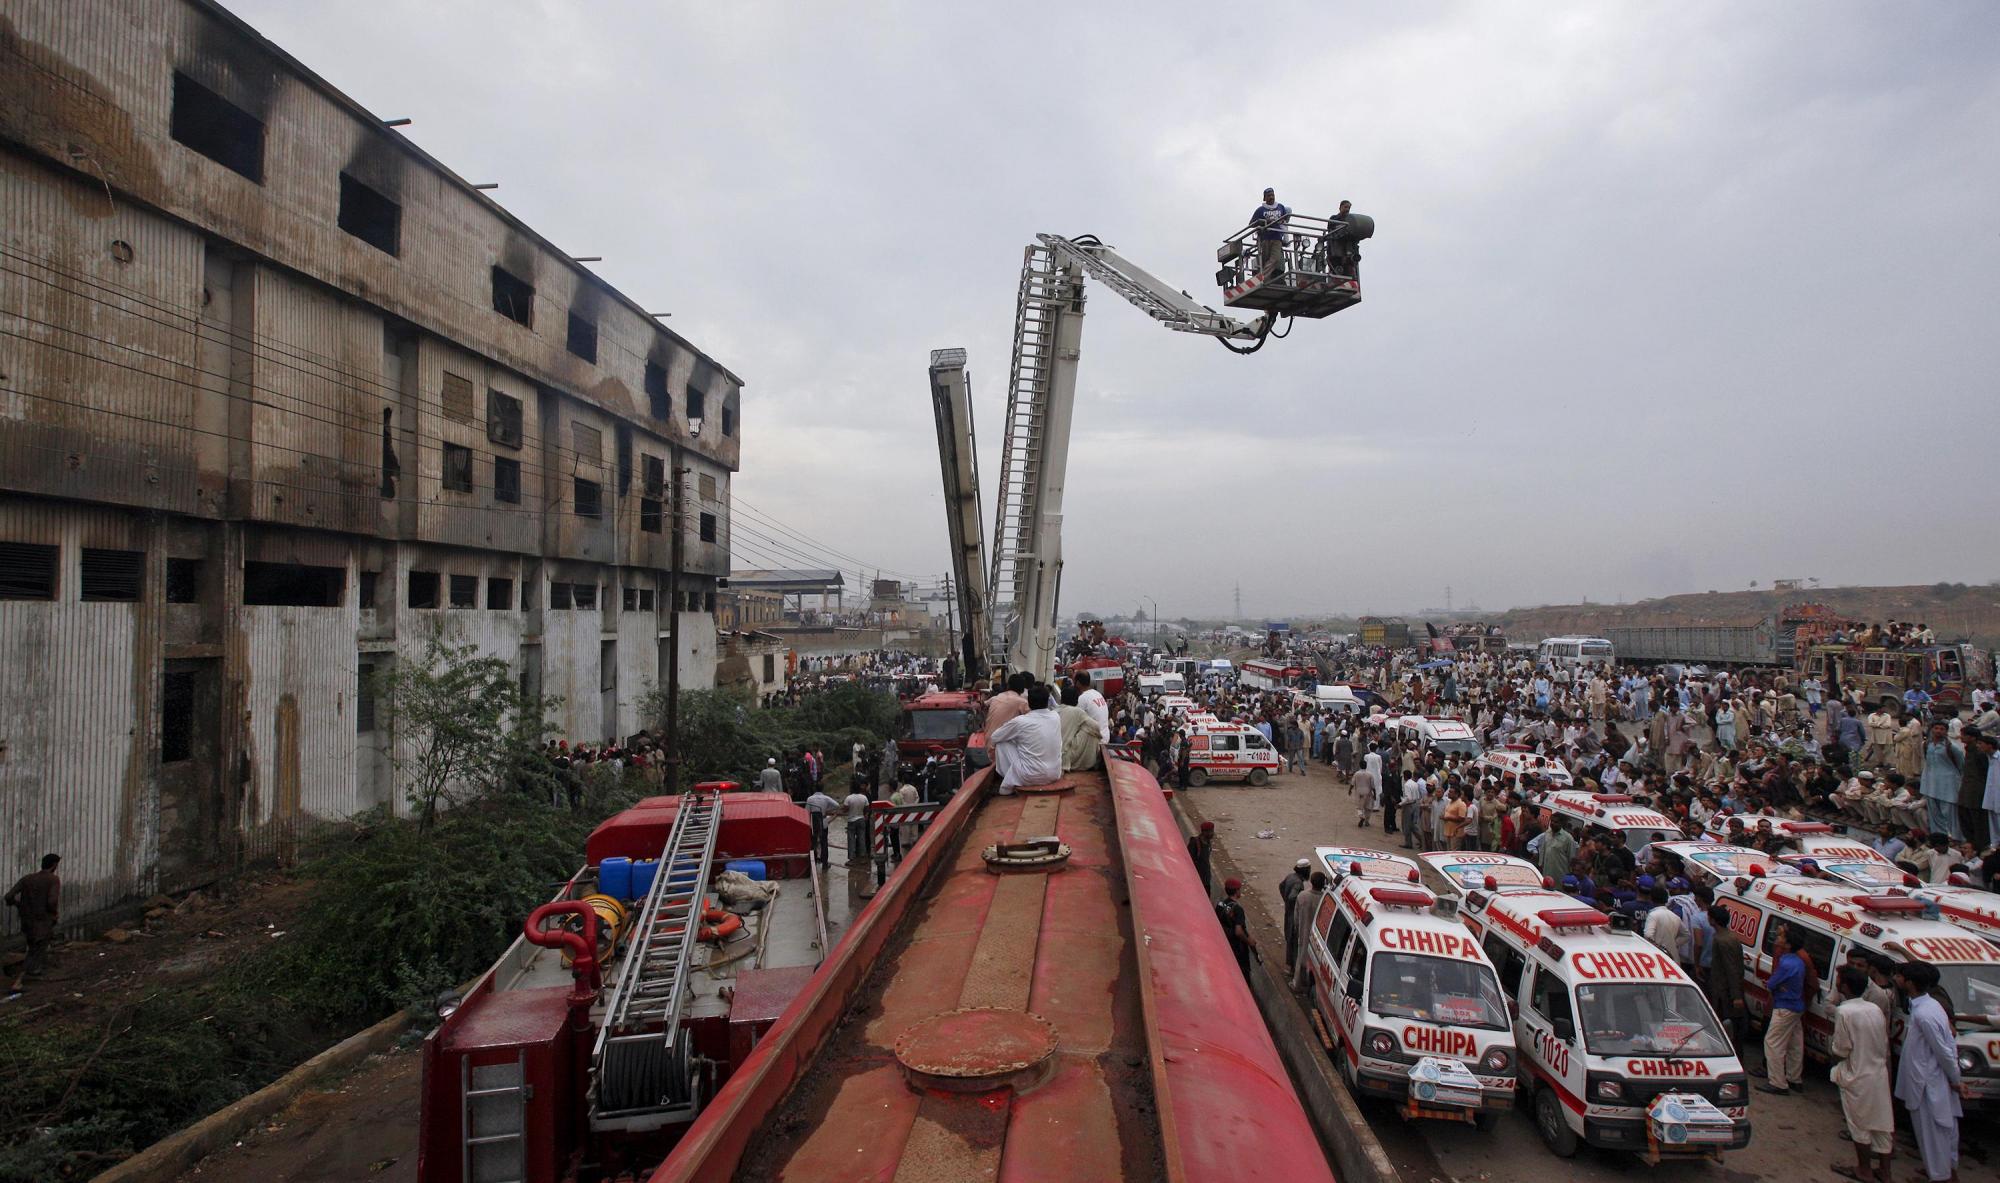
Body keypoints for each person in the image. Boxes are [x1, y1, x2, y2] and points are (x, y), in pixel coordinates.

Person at [1895, 960, 1966, 1183]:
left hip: (1928, 1085)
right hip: (1929, 1081)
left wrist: (1956, 1079)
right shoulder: (1927, 1006)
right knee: (1941, 1136)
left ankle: (1941, 1176)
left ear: (1910, 983)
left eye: (1901, 977)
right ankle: (1944, 1173)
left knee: (1933, 1136)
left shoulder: (1926, 1013)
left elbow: (1944, 1051)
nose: (1897, 979)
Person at [1829, 965, 1893, 1182]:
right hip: (1878, 1074)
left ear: (1844, 986)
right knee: (1882, 1125)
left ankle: (1864, 1170)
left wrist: (1835, 1057)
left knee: (1859, 1126)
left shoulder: (1844, 1012)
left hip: (1856, 1075)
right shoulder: (1874, 1009)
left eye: (1839, 980)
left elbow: (1841, 1048)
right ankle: (1885, 1171)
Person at [1760, 924, 1808, 1094]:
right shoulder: (1798, 961)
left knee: (1772, 1043)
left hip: (1785, 1006)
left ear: (1787, 945)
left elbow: (1772, 983)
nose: (1778, 938)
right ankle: (1794, 1078)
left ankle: (1777, 1082)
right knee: (1795, 1044)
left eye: (1782, 937)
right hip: (1796, 1006)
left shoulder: (1786, 963)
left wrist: (1774, 986)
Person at [990, 684, 1064, 794]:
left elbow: (995, 737)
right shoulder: (1055, 716)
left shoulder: (1021, 721)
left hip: (1029, 776)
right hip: (1054, 773)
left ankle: (1010, 783)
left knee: (1002, 743)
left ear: (1028, 702)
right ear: (1047, 701)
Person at [5, 854, 60, 992]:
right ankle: (22, 978)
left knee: (33, 944)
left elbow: (9, 896)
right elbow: (52, 901)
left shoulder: (27, 879)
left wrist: (19, 905)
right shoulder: (53, 880)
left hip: (26, 919)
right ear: (54, 865)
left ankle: (34, 971)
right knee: (37, 948)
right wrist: (53, 913)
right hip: (42, 920)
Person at [1705, 905, 1747, 1051]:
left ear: (1714, 920)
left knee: (1729, 1025)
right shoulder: (1728, 937)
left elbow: (1731, 969)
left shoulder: (1722, 940)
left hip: (1725, 991)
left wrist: (1736, 996)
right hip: (1724, 988)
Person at [1291, 871, 1328, 991]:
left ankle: (1297, 984)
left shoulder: (1303, 896)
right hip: (1319, 934)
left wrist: (1297, 927)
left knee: (1301, 955)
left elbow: (1296, 917)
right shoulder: (1324, 899)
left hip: (1304, 930)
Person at [1216, 878, 1253, 979]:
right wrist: (1249, 941)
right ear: (1237, 891)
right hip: (1237, 946)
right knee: (1243, 972)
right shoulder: (1238, 909)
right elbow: (1239, 932)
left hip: (1224, 943)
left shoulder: (1220, 905)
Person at [1250, 187, 1290, 278]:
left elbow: (1284, 222)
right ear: (1265, 198)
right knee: (1266, 259)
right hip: (1265, 238)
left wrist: (1285, 237)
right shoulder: (1260, 210)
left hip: (1277, 237)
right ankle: (1266, 277)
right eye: (1269, 196)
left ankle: (1262, 276)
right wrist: (1265, 222)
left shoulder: (1280, 207)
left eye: (1272, 195)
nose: (1271, 197)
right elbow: (1251, 224)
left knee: (1275, 258)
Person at [1279, 858, 1311, 969]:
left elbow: (1281, 886)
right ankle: (1293, 967)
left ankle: (1290, 964)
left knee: (1289, 938)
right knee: (1294, 940)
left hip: (1288, 912)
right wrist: (1298, 904)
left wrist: (1286, 901)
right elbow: (1292, 897)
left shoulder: (1290, 876)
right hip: (1293, 915)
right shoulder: (1298, 883)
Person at [804, 786, 839, 864]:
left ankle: (813, 861)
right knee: (824, 842)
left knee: (813, 842)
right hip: (823, 821)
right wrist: (826, 809)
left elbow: (806, 811)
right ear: (822, 790)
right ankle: (825, 863)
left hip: (813, 823)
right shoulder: (826, 798)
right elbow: (837, 805)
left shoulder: (810, 799)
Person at [841, 786, 873, 865]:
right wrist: (865, 815)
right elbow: (867, 808)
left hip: (851, 821)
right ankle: (863, 858)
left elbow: (845, 809)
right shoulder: (864, 797)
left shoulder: (848, 798)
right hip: (861, 819)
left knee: (851, 840)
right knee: (862, 839)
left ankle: (852, 859)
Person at [1187, 821, 1216, 894]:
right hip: (1197, 879)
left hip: (1206, 879)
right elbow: (1188, 861)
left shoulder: (1208, 842)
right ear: (1204, 832)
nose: (1213, 833)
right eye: (1211, 831)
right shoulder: (1194, 843)